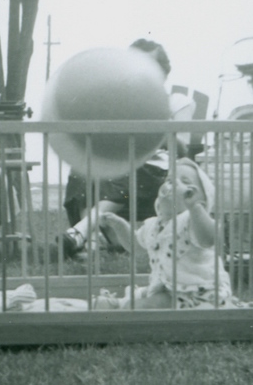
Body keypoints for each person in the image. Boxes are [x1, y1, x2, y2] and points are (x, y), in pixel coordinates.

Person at [59, 39, 196, 258]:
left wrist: (152, 131)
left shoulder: (177, 101)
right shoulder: (121, 103)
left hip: (159, 173)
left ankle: (81, 234)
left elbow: (182, 146)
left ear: (163, 71)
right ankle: (91, 241)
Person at [94, 158, 231, 309]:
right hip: (167, 288)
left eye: (185, 182)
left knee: (142, 306)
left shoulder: (190, 220)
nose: (172, 184)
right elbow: (135, 246)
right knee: (144, 296)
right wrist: (119, 226)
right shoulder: (153, 224)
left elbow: (209, 239)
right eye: (169, 180)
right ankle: (121, 304)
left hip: (198, 294)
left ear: (200, 201)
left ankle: (123, 308)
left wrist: (195, 208)